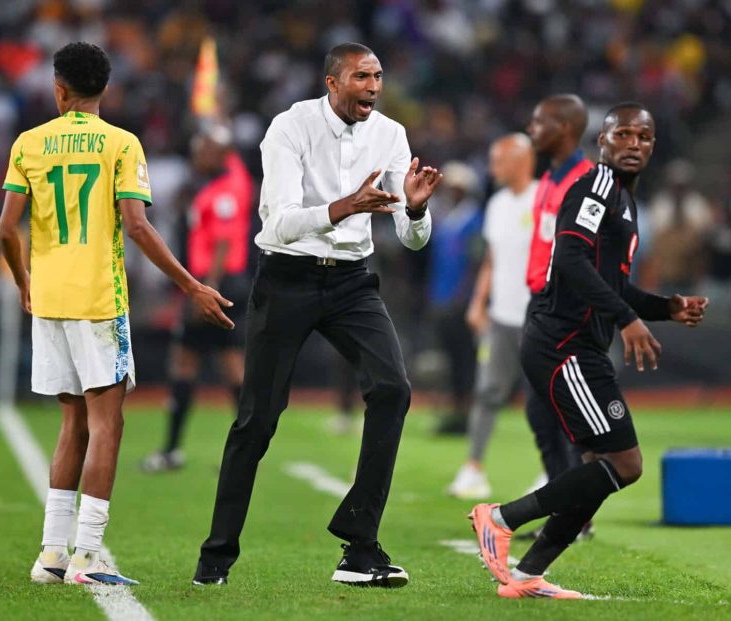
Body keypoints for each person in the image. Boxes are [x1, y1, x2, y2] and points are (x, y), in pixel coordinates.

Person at [192, 42, 442, 588]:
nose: (374, 87)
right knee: (257, 421)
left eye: (378, 76)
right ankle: (216, 557)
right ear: (332, 83)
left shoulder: (390, 134)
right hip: (287, 278)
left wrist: (417, 208)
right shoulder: (290, 127)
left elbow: (411, 238)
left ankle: (360, 545)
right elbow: (278, 224)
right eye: (362, 77)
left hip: (352, 280)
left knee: (393, 389)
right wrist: (344, 207)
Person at [0, 42, 234, 587]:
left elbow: (6, 228)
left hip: (49, 300)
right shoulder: (122, 144)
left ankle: (51, 554)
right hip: (99, 300)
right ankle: (87, 555)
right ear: (105, 89)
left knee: (72, 423)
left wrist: (24, 280)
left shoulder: (28, 143)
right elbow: (137, 225)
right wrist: (192, 285)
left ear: (59, 89)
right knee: (108, 424)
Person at [470, 102, 709, 599]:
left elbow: (612, 284)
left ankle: (527, 575)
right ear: (602, 140)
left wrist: (665, 307)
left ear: (653, 146)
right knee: (625, 464)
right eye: (623, 134)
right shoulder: (597, 186)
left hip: (577, 345)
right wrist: (627, 321)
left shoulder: (624, 200)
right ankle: (501, 518)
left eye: (643, 137)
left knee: (600, 467)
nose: (633, 144)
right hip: (564, 345)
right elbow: (571, 258)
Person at [141, 124, 253, 473]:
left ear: (221, 154)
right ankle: (247, 450)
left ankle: (173, 449)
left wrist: (205, 290)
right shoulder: (229, 179)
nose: (198, 155)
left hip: (214, 284)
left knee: (189, 362)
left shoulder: (224, 191)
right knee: (228, 363)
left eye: (205, 150)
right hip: (221, 283)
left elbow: (222, 243)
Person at [447, 134, 536, 499]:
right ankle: (473, 468)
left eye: (499, 160)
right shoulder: (497, 204)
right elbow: (491, 259)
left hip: (539, 319)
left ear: (521, 160)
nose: (492, 168)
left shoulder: (545, 199)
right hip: (501, 317)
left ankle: (554, 470)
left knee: (545, 399)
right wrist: (478, 302)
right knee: (487, 391)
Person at [522, 94, 595, 495]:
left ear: (565, 128)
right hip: (539, 303)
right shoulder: (549, 178)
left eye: (539, 122)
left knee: (566, 411)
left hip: (567, 307)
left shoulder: (586, 183)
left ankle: (576, 507)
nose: (531, 129)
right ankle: (562, 498)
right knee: (539, 410)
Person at [425, 161, 483, 437]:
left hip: (460, 301)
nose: (449, 191)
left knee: (464, 358)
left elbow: (475, 263)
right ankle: (453, 411)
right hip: (441, 298)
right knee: (447, 359)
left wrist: (463, 297)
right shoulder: (446, 218)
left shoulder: (473, 219)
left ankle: (465, 413)